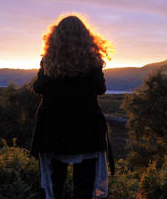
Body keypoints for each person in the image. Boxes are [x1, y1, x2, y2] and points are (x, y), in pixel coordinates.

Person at [30, 15, 115, 199]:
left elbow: (38, 88)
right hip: (86, 131)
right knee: (84, 189)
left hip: (54, 131)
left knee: (54, 188)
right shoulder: (92, 61)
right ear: (86, 37)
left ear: (55, 37)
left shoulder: (49, 61)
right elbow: (101, 89)